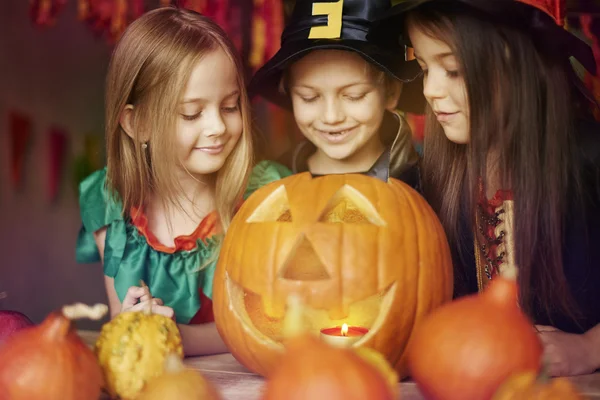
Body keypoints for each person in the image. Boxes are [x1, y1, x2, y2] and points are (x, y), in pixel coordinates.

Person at [373, 0, 600, 377]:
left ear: (516, 63)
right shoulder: (425, 180)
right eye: (425, 68)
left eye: (453, 70)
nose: (430, 89)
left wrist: (589, 348)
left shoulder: (589, 161)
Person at [75, 7, 290, 356]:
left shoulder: (265, 197)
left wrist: (177, 336)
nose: (217, 127)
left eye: (231, 106)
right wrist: (135, 318)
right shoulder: (110, 203)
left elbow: (278, 327)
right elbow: (118, 322)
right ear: (137, 123)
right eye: (191, 113)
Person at [249, 0, 426, 186]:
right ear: (289, 92)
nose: (331, 117)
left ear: (391, 92)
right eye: (309, 98)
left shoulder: (426, 183)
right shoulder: (270, 184)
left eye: (353, 95)